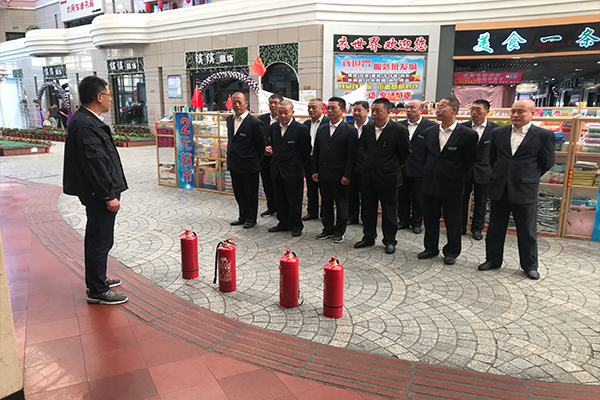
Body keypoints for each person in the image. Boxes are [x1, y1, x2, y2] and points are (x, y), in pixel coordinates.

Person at [63, 76, 128, 305]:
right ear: (99, 97)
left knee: (97, 237)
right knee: (101, 239)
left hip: (97, 192)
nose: (111, 99)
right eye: (109, 95)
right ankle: (98, 290)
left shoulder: (87, 120)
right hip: (98, 194)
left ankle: (97, 279)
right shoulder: (85, 124)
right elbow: (95, 163)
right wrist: (108, 195)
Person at [478, 100, 555, 280]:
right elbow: (492, 158)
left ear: (532, 113)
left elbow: (547, 162)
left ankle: (530, 265)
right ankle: (493, 260)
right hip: (500, 187)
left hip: (524, 189)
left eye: (520, 111)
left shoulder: (544, 135)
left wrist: (528, 176)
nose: (515, 115)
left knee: (527, 230)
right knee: (495, 227)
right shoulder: (498, 133)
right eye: (513, 111)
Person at [418, 97, 478, 265]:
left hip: (453, 184)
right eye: (437, 107)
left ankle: (452, 251)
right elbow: (425, 157)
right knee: (430, 218)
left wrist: (456, 174)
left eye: (442, 107)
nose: (438, 110)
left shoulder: (468, 134)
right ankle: (430, 247)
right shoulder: (430, 132)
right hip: (430, 182)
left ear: (454, 110)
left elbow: (470, 160)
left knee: (453, 220)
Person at [355, 98, 411, 254]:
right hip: (369, 176)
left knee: (389, 211)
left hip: (389, 177)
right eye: (373, 111)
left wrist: (390, 165)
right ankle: (368, 237)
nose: (374, 114)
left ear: (388, 112)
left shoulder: (399, 130)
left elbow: (405, 153)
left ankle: (390, 240)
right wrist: (367, 160)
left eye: (378, 111)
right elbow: (361, 147)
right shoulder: (368, 128)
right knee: (368, 209)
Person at [312, 97, 358, 243]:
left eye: (333, 108)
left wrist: (347, 174)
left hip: (340, 174)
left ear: (342, 111)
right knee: (326, 203)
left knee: (341, 204)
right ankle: (327, 229)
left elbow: (352, 155)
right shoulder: (322, 128)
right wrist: (315, 170)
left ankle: (339, 231)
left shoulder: (350, 130)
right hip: (324, 173)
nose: (330, 111)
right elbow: (317, 151)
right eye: (328, 108)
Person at [267, 100, 311, 237]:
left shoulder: (301, 129)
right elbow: (272, 145)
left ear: (292, 112)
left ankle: (296, 225)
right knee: (279, 199)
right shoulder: (273, 128)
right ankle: (283, 223)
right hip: (277, 170)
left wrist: (298, 166)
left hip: (293, 171)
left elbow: (305, 151)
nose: (283, 115)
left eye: (286, 112)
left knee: (294, 201)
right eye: (280, 112)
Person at [460, 100, 500, 240]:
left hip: (484, 170)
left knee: (481, 202)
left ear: (487, 111)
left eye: (478, 109)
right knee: (461, 200)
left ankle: (477, 228)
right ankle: (460, 226)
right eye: (472, 109)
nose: (474, 113)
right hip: (465, 170)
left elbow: (498, 153)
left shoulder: (496, 130)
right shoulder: (462, 128)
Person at [397, 99, 438, 234]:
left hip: (420, 169)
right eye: (407, 107)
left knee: (418, 198)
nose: (409, 110)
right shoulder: (399, 125)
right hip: (402, 168)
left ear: (421, 110)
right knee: (402, 196)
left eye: (412, 108)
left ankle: (416, 222)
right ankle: (403, 220)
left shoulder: (430, 127)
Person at [226, 92, 266, 229]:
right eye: (234, 102)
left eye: (240, 102)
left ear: (246, 103)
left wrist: (255, 162)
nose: (237, 105)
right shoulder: (229, 120)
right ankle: (242, 216)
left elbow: (261, 146)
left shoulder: (255, 123)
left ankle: (251, 218)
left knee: (250, 194)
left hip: (249, 165)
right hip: (234, 164)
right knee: (239, 193)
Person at [302, 99, 330, 221]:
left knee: (325, 190)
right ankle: (312, 212)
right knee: (311, 188)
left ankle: (325, 214)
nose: (311, 110)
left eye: (314, 107)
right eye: (309, 107)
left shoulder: (328, 123)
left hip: (324, 161)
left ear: (322, 109)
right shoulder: (306, 124)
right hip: (309, 160)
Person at [257, 93, 282, 217]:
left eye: (275, 103)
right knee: (267, 183)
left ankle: (280, 209)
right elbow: (257, 137)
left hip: (279, 158)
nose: (272, 105)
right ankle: (271, 207)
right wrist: (263, 148)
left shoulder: (284, 119)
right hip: (265, 157)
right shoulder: (261, 119)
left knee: (278, 185)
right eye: (271, 103)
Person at [347, 101, 371, 225]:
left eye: (359, 110)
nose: (356, 113)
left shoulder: (372, 126)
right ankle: (352, 216)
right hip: (350, 166)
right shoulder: (348, 126)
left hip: (366, 167)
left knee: (367, 195)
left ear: (367, 111)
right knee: (351, 193)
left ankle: (366, 218)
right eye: (354, 110)